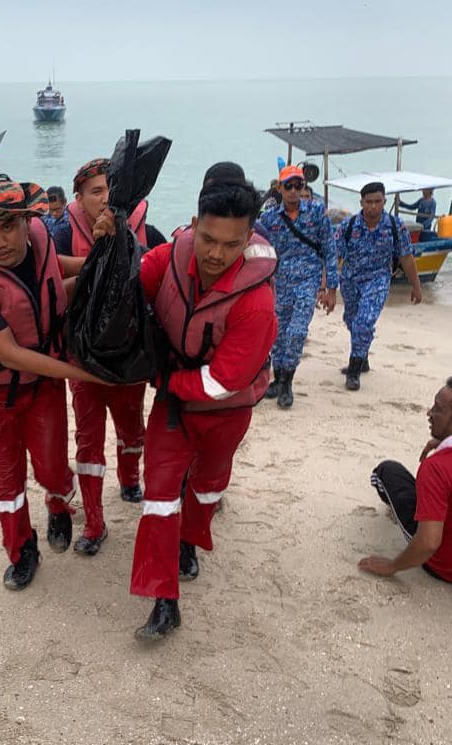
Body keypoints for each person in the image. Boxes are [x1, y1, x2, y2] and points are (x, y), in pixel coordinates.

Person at [94, 168, 278, 638]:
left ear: (248, 238)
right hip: (174, 403)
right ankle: (163, 598)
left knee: (208, 485)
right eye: (209, 238)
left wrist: (166, 380)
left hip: (225, 409)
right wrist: (110, 245)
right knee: (158, 495)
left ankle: (191, 542)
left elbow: (225, 381)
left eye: (232, 245)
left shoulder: (256, 305)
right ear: (195, 223)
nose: (217, 253)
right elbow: (130, 288)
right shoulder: (171, 257)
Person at [0, 174, 102, 591]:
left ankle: (58, 506)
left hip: (44, 386)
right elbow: (10, 353)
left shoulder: (41, 238)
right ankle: (22, 550)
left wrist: (100, 263)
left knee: (53, 469)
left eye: (7, 228)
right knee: (6, 479)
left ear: (25, 221)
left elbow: (55, 274)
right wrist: (86, 374)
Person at [51, 157, 154, 556]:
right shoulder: (61, 235)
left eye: (111, 189)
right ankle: (94, 523)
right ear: (78, 198)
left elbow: (158, 278)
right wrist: (100, 260)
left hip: (128, 358)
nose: (106, 198)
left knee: (133, 431)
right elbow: (50, 288)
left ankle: (130, 480)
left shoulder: (146, 229)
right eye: (96, 191)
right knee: (87, 440)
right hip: (82, 359)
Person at [257, 165, 339, 408]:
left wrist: (330, 288)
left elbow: (329, 250)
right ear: (280, 188)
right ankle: (279, 379)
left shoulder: (316, 213)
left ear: (304, 187)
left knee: (297, 332)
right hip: (279, 283)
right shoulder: (269, 218)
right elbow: (258, 248)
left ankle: (287, 382)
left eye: (298, 186)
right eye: (288, 186)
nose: (293, 191)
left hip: (308, 282)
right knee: (278, 336)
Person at [359, 379, 452, 583]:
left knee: (386, 471)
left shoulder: (436, 468)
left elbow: (429, 542)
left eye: (438, 409)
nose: (429, 413)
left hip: (442, 565)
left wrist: (392, 566)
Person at [337, 182, 422, 390]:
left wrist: (416, 286)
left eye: (378, 201)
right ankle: (362, 355)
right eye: (369, 202)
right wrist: (326, 286)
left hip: (378, 280)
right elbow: (333, 257)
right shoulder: (347, 226)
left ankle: (354, 369)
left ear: (384, 202)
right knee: (352, 320)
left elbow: (407, 258)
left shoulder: (395, 226)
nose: (373, 206)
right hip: (350, 280)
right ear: (361, 203)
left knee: (364, 323)